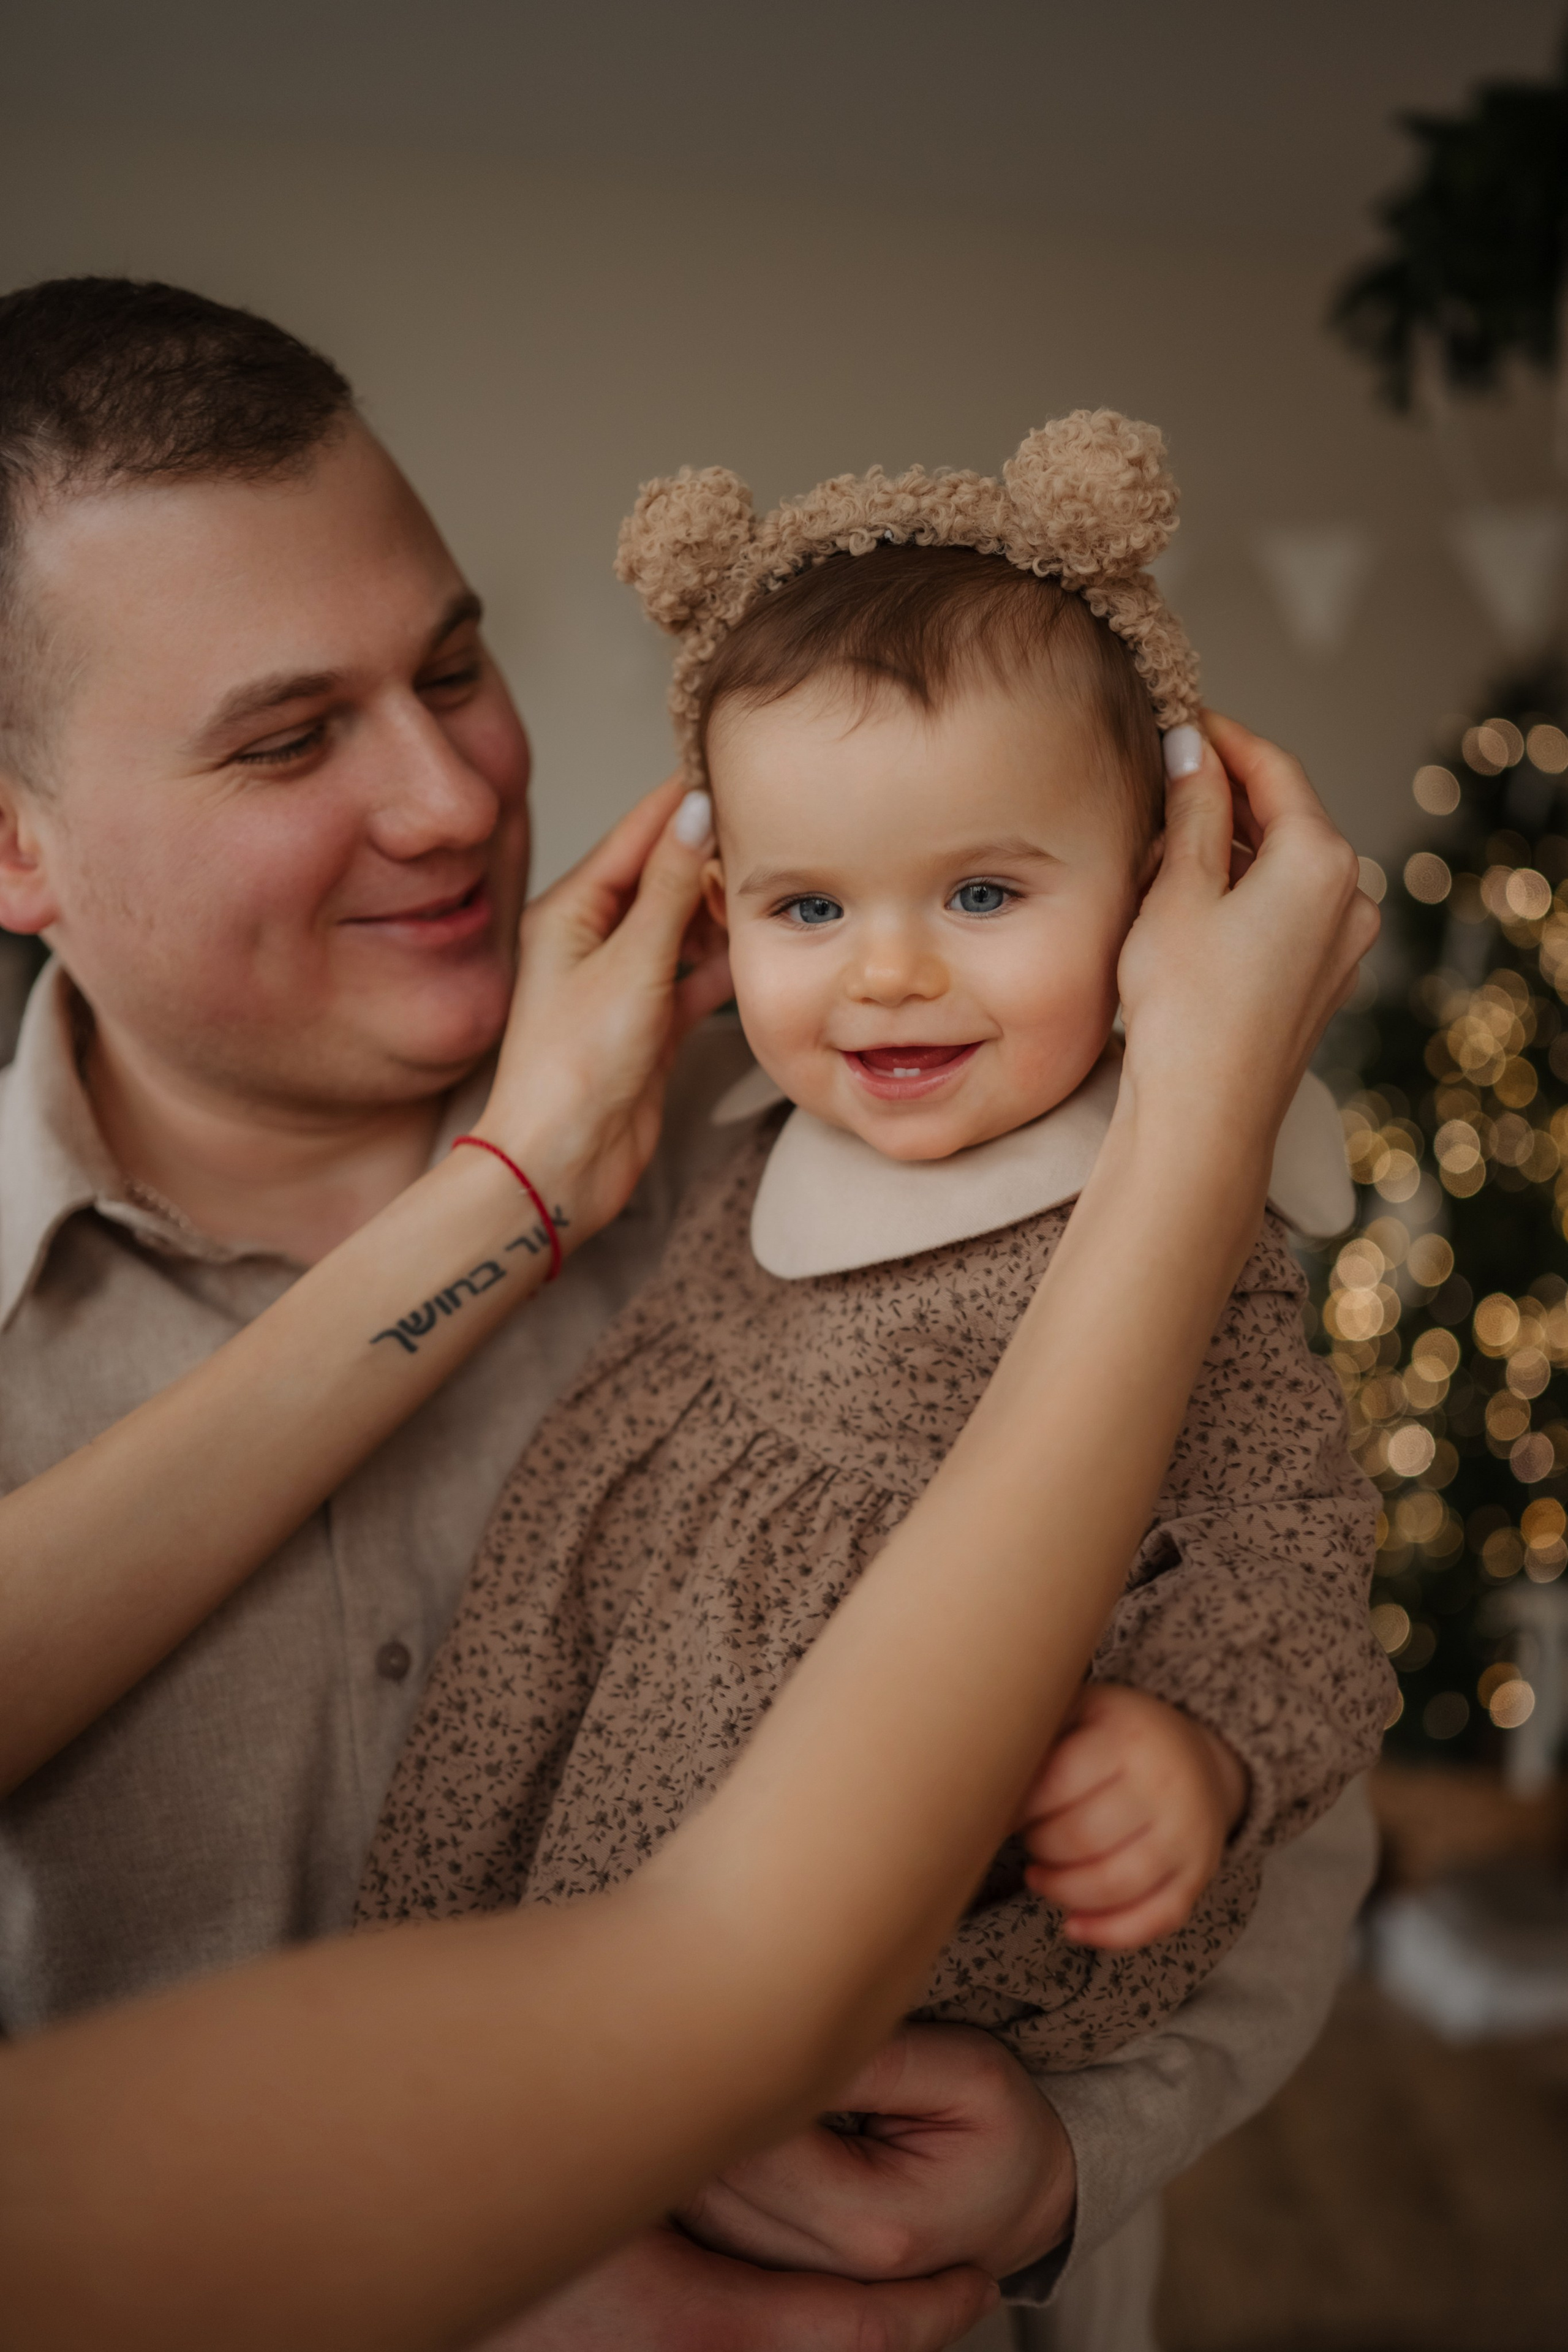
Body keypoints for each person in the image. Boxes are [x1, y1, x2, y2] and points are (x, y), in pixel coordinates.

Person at [0, 277, 1374, 2348]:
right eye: (290, 739)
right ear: (13, 845)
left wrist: (1081, 2155)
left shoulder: (872, 1157)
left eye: (454, 670)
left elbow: (1274, 1698)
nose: (457, 800)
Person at [361, 424, 1389, 2137]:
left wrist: (1203, 1741)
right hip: (618, 1771)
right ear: (720, 905)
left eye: (983, 891)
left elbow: (1286, 1540)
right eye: (808, 907)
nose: (887, 977)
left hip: (906, 1868)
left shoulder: (1161, 1216)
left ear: (1154, 898)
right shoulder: (751, 1149)